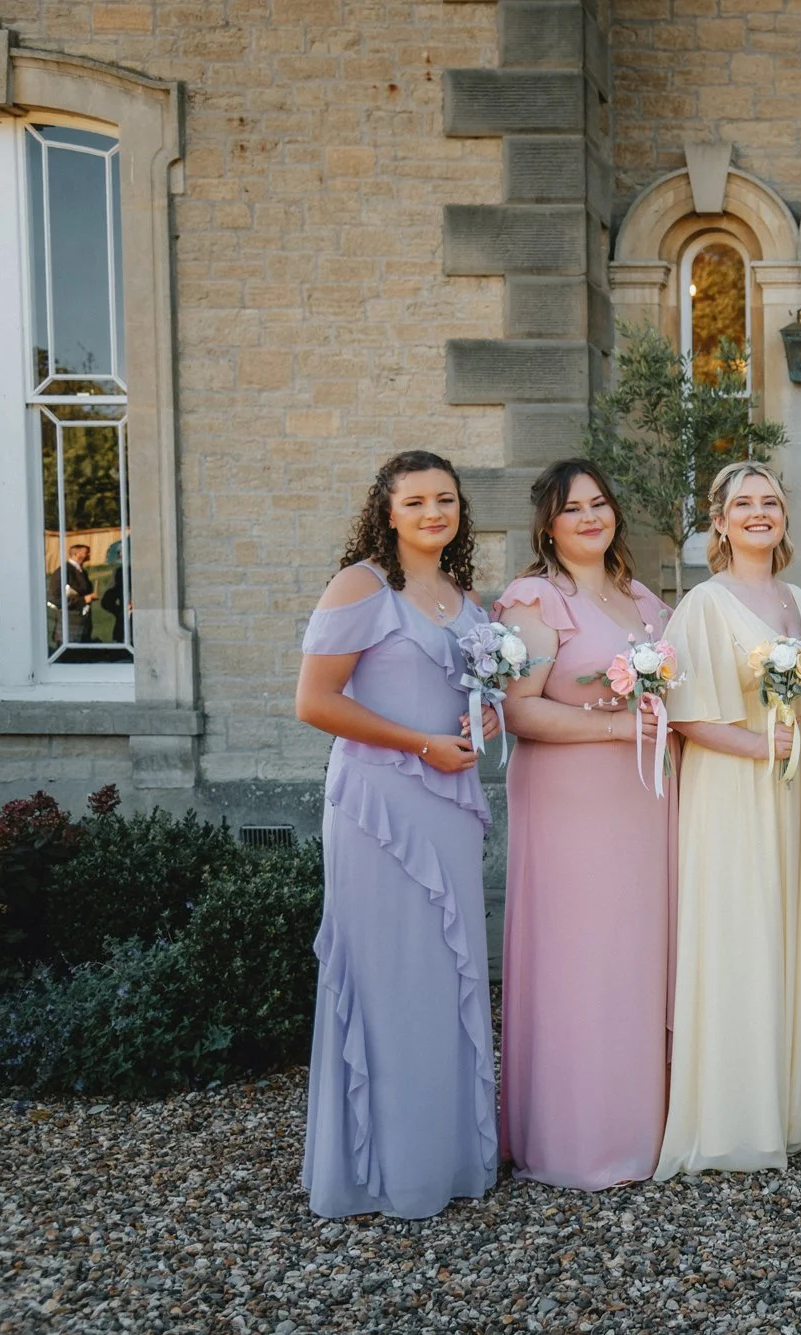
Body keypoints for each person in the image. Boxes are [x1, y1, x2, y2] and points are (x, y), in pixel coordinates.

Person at [293, 450, 501, 1219]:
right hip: (377, 806)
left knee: (447, 975)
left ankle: (443, 1158)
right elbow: (313, 702)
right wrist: (417, 743)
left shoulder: (464, 594)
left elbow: (470, 689)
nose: (432, 513)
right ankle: (383, 1169)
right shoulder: (360, 586)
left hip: (448, 802)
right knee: (389, 975)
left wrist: (485, 714)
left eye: (444, 499)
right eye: (414, 502)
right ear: (386, 510)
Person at [494, 459, 677, 1188]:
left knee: (636, 957)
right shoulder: (537, 601)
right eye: (574, 509)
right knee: (581, 959)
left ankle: (642, 1130)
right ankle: (575, 1140)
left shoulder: (643, 601)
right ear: (548, 523)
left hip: (644, 804)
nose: (591, 517)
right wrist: (613, 730)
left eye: (600, 503)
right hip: (571, 805)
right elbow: (520, 708)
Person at [656, 461, 801, 1177]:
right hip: (732, 792)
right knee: (738, 933)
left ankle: (785, 1111)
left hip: (792, 792)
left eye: (772, 502)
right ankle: (731, 1118)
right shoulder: (703, 603)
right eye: (744, 503)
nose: (760, 512)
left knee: (786, 931)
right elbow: (687, 715)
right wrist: (762, 745)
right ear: (718, 522)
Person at [49, 542, 95, 645]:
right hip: (68, 622)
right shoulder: (63, 572)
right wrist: (83, 600)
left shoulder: (81, 571)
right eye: (86, 553)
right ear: (76, 554)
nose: (89, 555)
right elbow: (54, 598)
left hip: (82, 621)